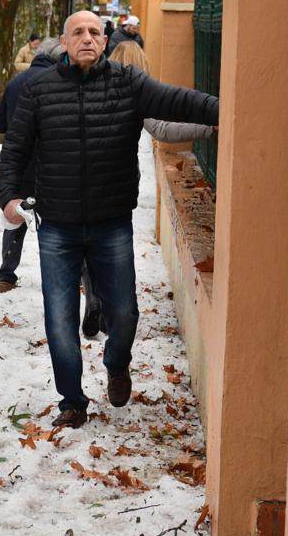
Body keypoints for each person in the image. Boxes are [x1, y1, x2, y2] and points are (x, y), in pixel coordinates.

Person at [0, 11, 218, 429]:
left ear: (104, 41)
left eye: (94, 32)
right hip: (57, 226)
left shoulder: (128, 82)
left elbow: (175, 99)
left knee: (125, 313)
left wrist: (223, 111)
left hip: (110, 221)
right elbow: (15, 149)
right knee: (59, 318)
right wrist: (8, 196)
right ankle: (72, 402)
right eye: (77, 32)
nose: (86, 38)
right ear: (63, 42)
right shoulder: (38, 90)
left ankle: (117, 363)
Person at [79, 40, 216, 338]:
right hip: (117, 187)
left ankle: (92, 297)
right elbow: (164, 130)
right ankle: (110, 306)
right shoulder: (137, 93)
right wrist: (209, 128)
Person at [0, 38, 64, 293]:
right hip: (49, 164)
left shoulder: (14, 83)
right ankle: (63, 276)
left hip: (18, 163)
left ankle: (6, 275)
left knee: (15, 218)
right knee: (55, 222)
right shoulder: (58, 83)